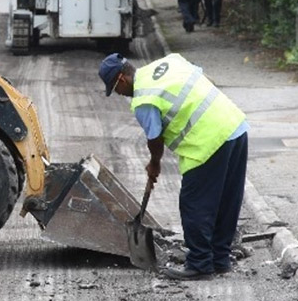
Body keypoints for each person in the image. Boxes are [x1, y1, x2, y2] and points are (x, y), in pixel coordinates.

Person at [99, 52, 249, 281]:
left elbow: (154, 138)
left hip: (207, 141)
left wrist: (154, 164)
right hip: (234, 125)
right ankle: (220, 259)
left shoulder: (143, 100)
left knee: (194, 203)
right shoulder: (168, 62)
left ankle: (200, 264)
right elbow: (200, 77)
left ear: (121, 79)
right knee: (227, 199)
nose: (119, 94)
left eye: (115, 89)